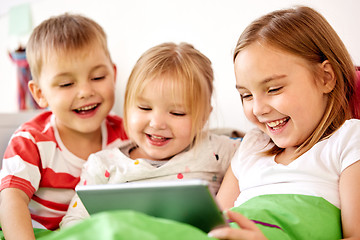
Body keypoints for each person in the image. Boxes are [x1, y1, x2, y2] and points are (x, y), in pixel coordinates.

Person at [208, 6, 360, 240]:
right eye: (246, 95)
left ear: (325, 78)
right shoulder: (252, 147)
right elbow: (212, 223)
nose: (258, 109)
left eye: (274, 89)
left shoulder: (348, 141)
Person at [60, 42, 241, 228]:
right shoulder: (103, 165)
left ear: (203, 117)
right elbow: (73, 223)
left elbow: (259, 150)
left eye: (177, 113)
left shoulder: (217, 150)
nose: (156, 123)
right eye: (144, 108)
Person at [0, 13, 128, 240]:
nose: (85, 91)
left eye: (98, 77)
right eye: (67, 83)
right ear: (40, 94)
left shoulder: (127, 134)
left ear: (113, 74)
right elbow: (11, 199)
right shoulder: (31, 141)